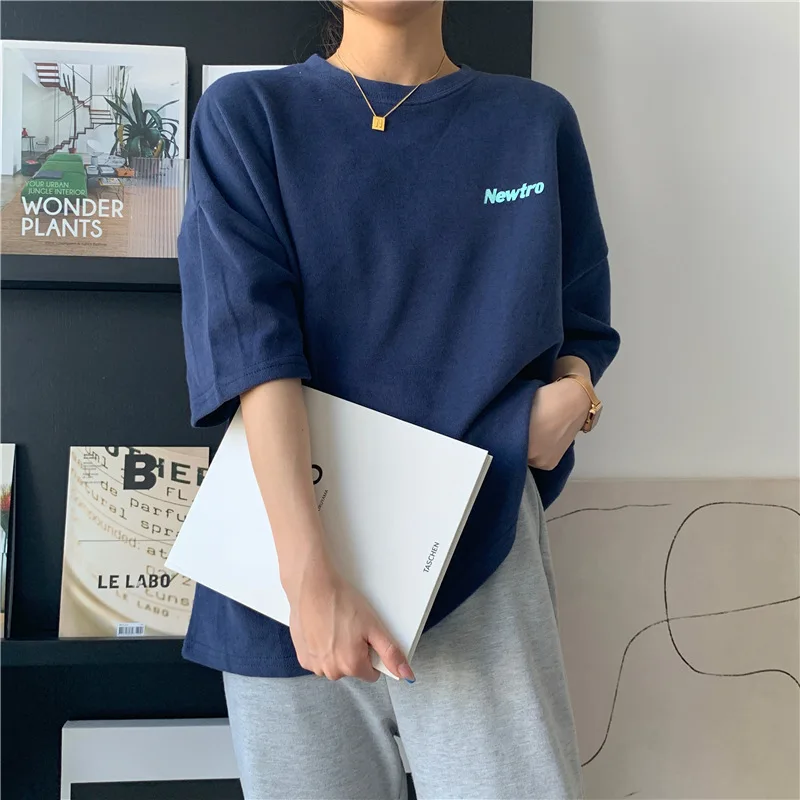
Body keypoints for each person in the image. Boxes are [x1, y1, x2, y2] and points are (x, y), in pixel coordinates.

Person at [176, 1, 619, 798]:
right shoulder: (248, 114)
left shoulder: (534, 122)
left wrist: (576, 396)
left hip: (482, 548)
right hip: (288, 558)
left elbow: (583, 317)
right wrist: (310, 581)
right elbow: (251, 349)